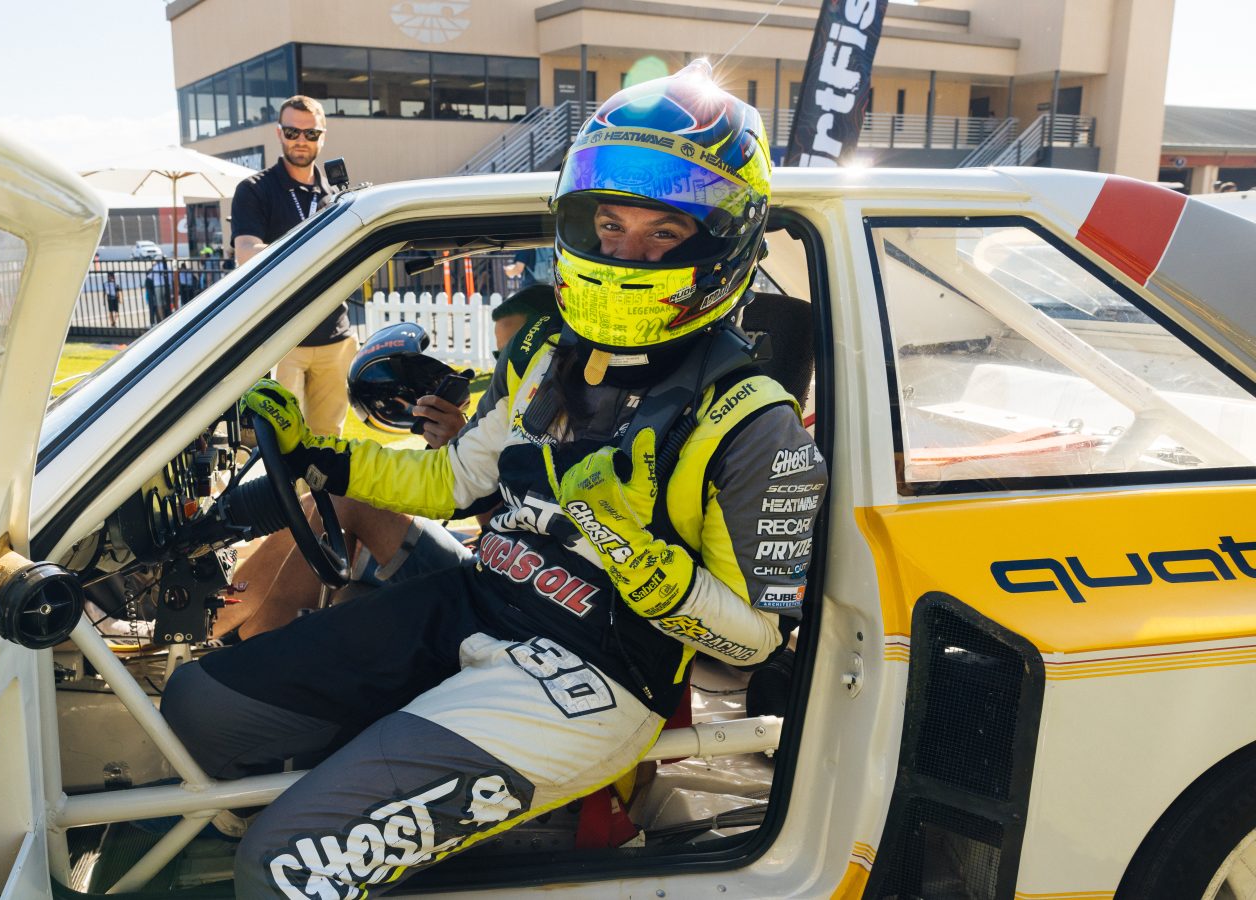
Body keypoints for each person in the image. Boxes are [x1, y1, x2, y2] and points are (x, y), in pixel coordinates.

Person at [162, 60, 826, 897]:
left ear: (722, 241)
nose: (624, 252)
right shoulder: (548, 352)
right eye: (608, 223)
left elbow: (755, 639)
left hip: (599, 673)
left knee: (284, 869)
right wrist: (321, 455)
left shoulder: (756, 422)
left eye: (663, 232)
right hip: (482, 598)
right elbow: (454, 481)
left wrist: (643, 562)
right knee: (198, 709)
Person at [215, 292, 554, 642]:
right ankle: (214, 625)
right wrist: (459, 447)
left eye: (519, 351)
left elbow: (503, 528)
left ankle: (249, 644)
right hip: (490, 557)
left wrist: (462, 454)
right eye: (501, 356)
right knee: (315, 503)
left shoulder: (555, 425)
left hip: (508, 585)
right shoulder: (514, 411)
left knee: (346, 501)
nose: (509, 365)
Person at [230, 95, 356, 437]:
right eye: (292, 132)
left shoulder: (338, 196)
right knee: (279, 441)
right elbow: (246, 252)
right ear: (279, 133)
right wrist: (309, 252)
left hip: (335, 335)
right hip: (281, 338)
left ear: (322, 136)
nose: (301, 140)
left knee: (329, 441)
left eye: (310, 133)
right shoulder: (255, 190)